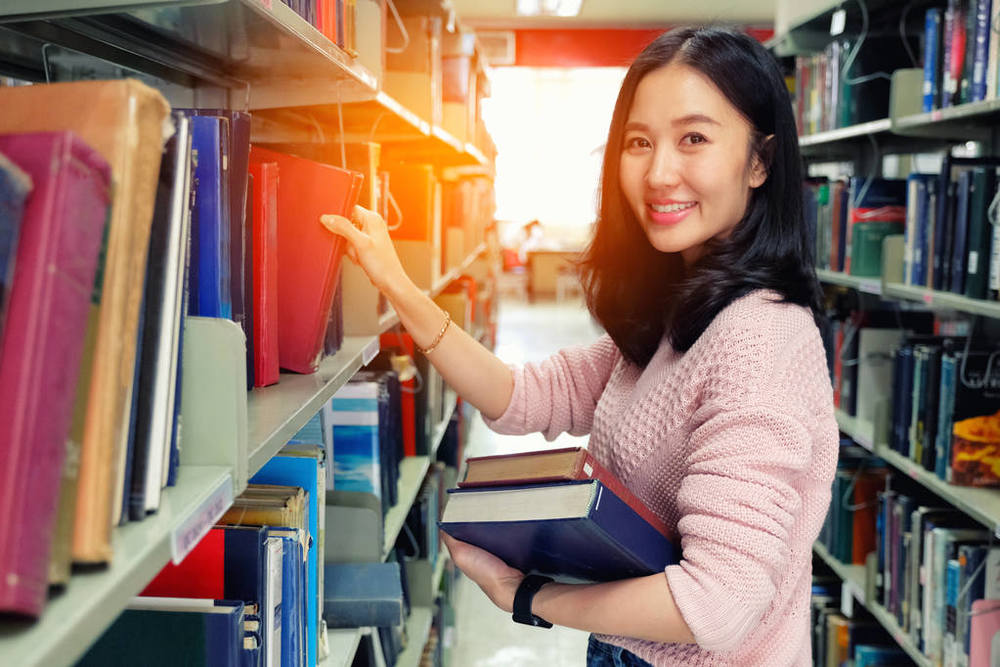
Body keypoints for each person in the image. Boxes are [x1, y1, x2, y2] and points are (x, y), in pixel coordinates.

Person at [321, 25, 838, 667]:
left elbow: (718, 605)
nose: (659, 172)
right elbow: (525, 397)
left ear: (760, 160)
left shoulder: (760, 342)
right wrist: (400, 288)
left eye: (694, 139)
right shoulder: (685, 313)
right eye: (639, 142)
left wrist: (528, 597)